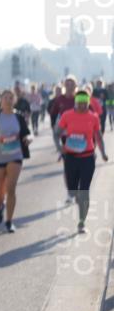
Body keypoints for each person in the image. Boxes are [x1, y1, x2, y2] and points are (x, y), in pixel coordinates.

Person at [57, 89, 109, 233]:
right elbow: (57, 133)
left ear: (88, 103)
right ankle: (74, 196)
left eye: (84, 103)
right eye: (79, 103)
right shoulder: (67, 115)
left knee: (84, 190)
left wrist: (103, 153)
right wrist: (59, 147)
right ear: (75, 103)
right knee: (73, 191)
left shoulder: (93, 117)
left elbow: (98, 136)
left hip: (88, 157)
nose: (82, 106)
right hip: (71, 158)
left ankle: (81, 222)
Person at [0, 90, 32, 233]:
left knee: (11, 189)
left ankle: (9, 221)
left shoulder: (19, 117)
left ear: (15, 100)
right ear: (0, 101)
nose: (8, 100)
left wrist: (29, 139)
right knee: (0, 190)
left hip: (15, 155)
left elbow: (27, 133)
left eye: (11, 98)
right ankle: (0, 206)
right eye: (5, 98)